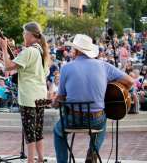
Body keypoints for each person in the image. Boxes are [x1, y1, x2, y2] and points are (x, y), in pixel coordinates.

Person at [52, 34, 133, 163]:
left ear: (77, 50)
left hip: (74, 119)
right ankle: (92, 152)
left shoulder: (66, 68)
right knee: (102, 122)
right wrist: (114, 93)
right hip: (97, 119)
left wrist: (53, 103)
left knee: (58, 131)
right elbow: (130, 82)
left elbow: (60, 98)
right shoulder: (104, 66)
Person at [0, 22, 50, 163]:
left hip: (29, 96)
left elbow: (8, 67)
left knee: (29, 131)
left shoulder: (29, 51)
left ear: (30, 34)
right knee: (38, 130)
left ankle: (30, 161)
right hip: (41, 95)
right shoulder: (42, 51)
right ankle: (39, 158)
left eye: (24, 33)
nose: (23, 36)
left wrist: (3, 48)